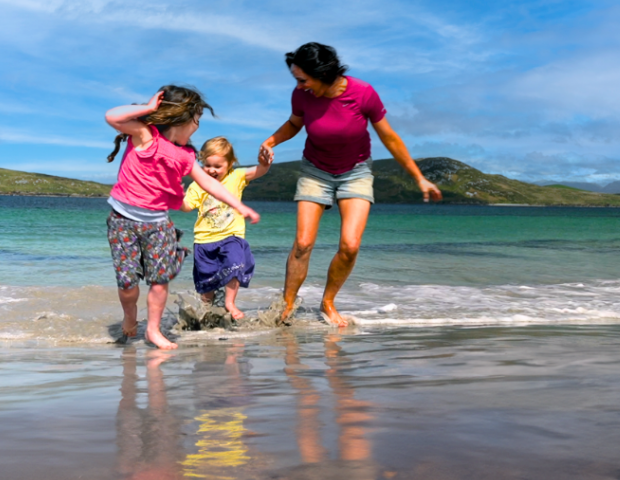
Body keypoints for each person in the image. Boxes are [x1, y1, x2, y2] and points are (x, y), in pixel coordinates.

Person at [259, 42, 442, 327]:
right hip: (314, 171)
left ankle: (328, 302)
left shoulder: (363, 93)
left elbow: (390, 138)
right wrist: (271, 141)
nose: (300, 85)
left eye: (303, 79)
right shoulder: (302, 95)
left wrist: (418, 177)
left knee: (350, 246)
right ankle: (287, 305)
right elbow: (295, 123)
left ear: (323, 73)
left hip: (355, 172)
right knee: (303, 244)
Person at [106, 86, 260, 350]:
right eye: (197, 119)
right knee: (128, 284)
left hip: (159, 225)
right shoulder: (145, 135)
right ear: (183, 118)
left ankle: (152, 330)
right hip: (123, 222)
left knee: (159, 281)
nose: (198, 126)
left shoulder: (186, 156)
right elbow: (113, 117)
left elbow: (212, 186)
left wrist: (239, 205)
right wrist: (149, 109)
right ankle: (130, 315)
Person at [181, 136, 272, 321]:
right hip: (204, 239)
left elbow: (259, 171)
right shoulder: (198, 184)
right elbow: (187, 207)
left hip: (232, 235)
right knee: (207, 282)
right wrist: (176, 194)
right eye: (207, 165)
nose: (212, 170)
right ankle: (206, 312)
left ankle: (230, 302)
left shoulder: (236, 176)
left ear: (230, 163)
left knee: (235, 264)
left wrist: (265, 164)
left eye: (217, 166)